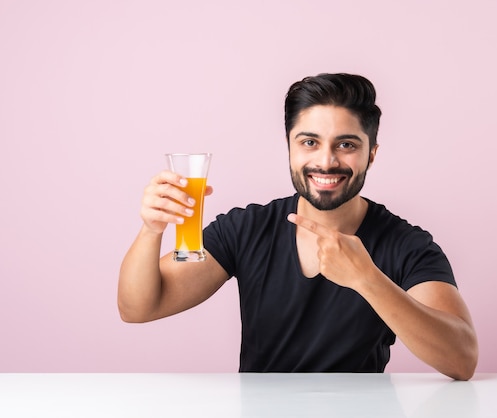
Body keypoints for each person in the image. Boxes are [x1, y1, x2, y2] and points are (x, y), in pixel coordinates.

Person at [118, 73, 478, 380]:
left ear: (372, 153)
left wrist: (367, 279)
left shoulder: (406, 244)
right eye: (309, 142)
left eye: (347, 144)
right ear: (289, 147)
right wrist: (151, 230)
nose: (326, 161)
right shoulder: (247, 229)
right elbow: (138, 308)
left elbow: (462, 359)